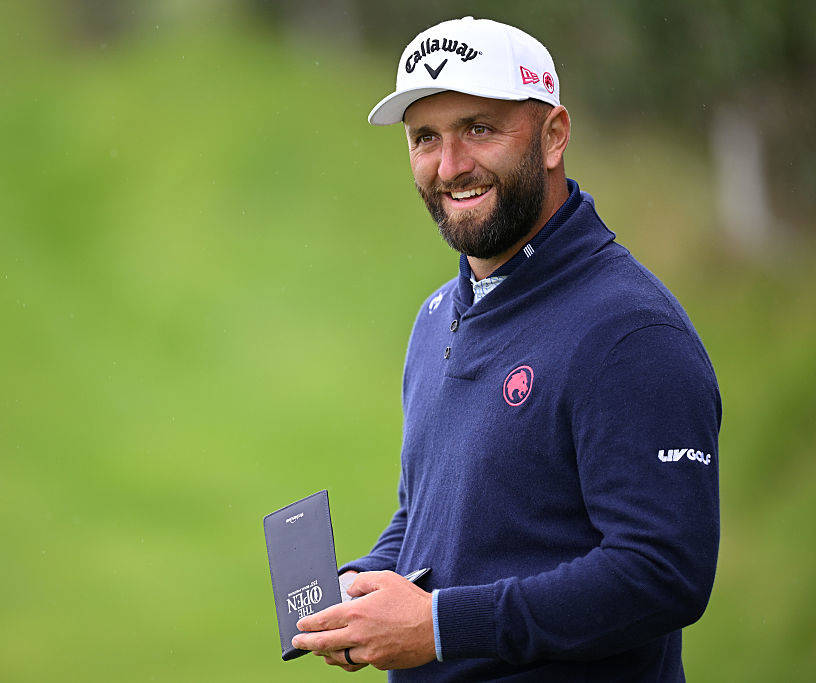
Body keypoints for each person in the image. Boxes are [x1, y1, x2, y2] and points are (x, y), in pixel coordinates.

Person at [290, 16, 720, 682]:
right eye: (424, 138)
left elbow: (662, 573)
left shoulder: (630, 332)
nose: (451, 165)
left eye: (480, 129)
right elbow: (430, 516)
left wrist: (436, 625)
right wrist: (371, 583)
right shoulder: (438, 314)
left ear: (553, 136)